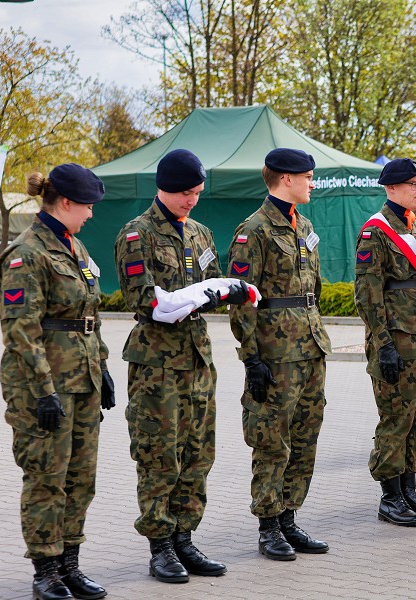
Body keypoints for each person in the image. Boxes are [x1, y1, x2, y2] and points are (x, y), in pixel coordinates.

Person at [115, 149, 241, 583]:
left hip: (198, 359)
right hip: (157, 363)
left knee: (197, 454)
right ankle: (160, 546)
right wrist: (188, 299)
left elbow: (215, 280)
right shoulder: (137, 235)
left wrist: (228, 293)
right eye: (186, 193)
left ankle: (186, 538)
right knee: (158, 455)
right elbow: (141, 298)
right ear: (164, 188)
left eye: (198, 193)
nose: (192, 201)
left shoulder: (201, 234)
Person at [0, 164, 113, 600]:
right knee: (47, 477)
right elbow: (21, 330)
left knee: (81, 477)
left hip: (80, 382)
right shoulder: (29, 253)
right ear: (65, 203)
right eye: (87, 206)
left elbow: (89, 318)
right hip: (42, 388)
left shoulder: (74, 248)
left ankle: (69, 564)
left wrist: (100, 366)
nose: (91, 214)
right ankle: (45, 571)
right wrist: (43, 391)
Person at [226, 148, 333, 560]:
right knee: (273, 440)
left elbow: (314, 287)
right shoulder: (253, 230)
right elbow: (242, 299)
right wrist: (251, 357)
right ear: (285, 179)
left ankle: (289, 517)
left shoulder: (302, 223)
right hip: (275, 352)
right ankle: (268, 524)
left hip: (310, 347)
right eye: (307, 177)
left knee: (306, 437)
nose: (311, 183)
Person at [354, 158, 416, 526]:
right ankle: (390, 496)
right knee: (397, 418)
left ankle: (410, 489)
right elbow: (367, 292)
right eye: (413, 184)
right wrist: (383, 343)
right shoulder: (375, 231)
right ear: (391, 188)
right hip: (398, 339)